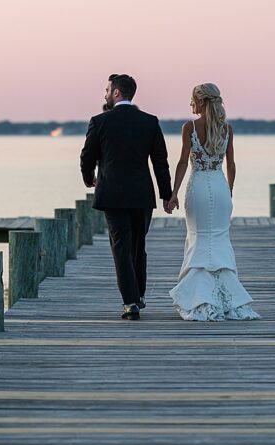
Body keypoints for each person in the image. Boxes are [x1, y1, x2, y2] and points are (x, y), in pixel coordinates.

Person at [80, 73, 173, 320]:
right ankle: (139, 294)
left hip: (112, 194)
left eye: (107, 90)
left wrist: (88, 177)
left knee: (121, 247)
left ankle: (130, 302)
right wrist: (166, 194)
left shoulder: (99, 121)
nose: (105, 94)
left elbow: (87, 155)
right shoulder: (150, 122)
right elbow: (160, 162)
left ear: (117, 92)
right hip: (142, 194)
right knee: (138, 246)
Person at [166, 83, 260, 321]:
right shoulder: (227, 128)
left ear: (201, 101)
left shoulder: (189, 127)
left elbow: (182, 163)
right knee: (218, 240)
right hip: (219, 186)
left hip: (198, 185)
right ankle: (230, 299)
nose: (190, 105)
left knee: (198, 239)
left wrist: (173, 193)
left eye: (192, 100)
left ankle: (199, 298)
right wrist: (228, 190)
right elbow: (231, 165)